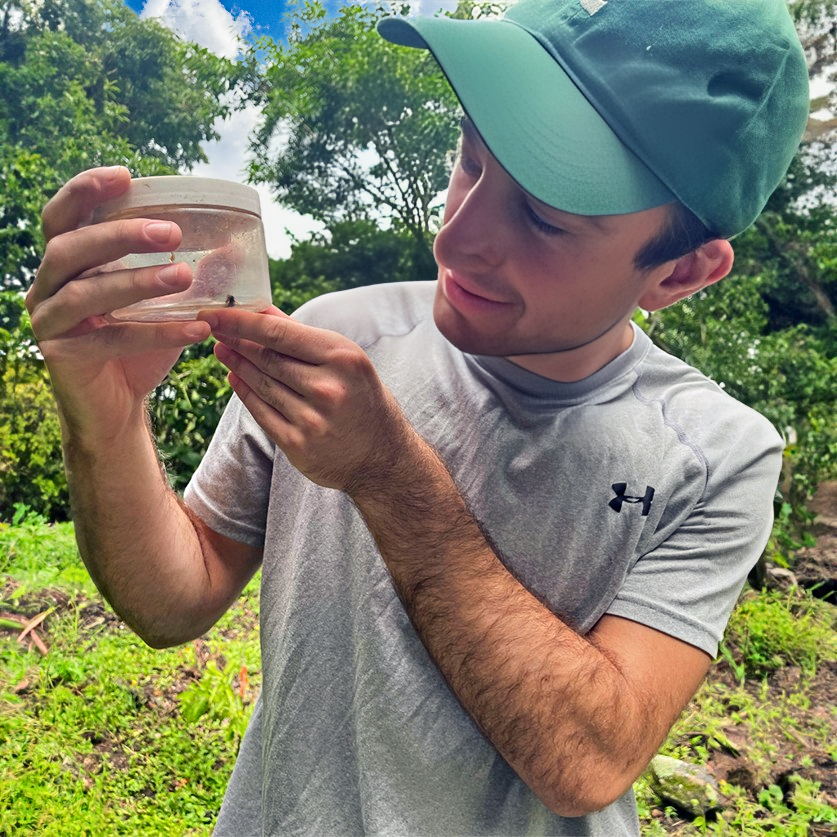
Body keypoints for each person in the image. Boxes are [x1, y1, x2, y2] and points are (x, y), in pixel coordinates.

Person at [27, 0, 809, 834]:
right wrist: (109, 417)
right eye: (470, 163)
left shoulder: (719, 454)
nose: (458, 240)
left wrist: (388, 473)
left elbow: (587, 763)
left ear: (681, 271)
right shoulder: (336, 333)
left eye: (545, 215)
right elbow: (170, 603)